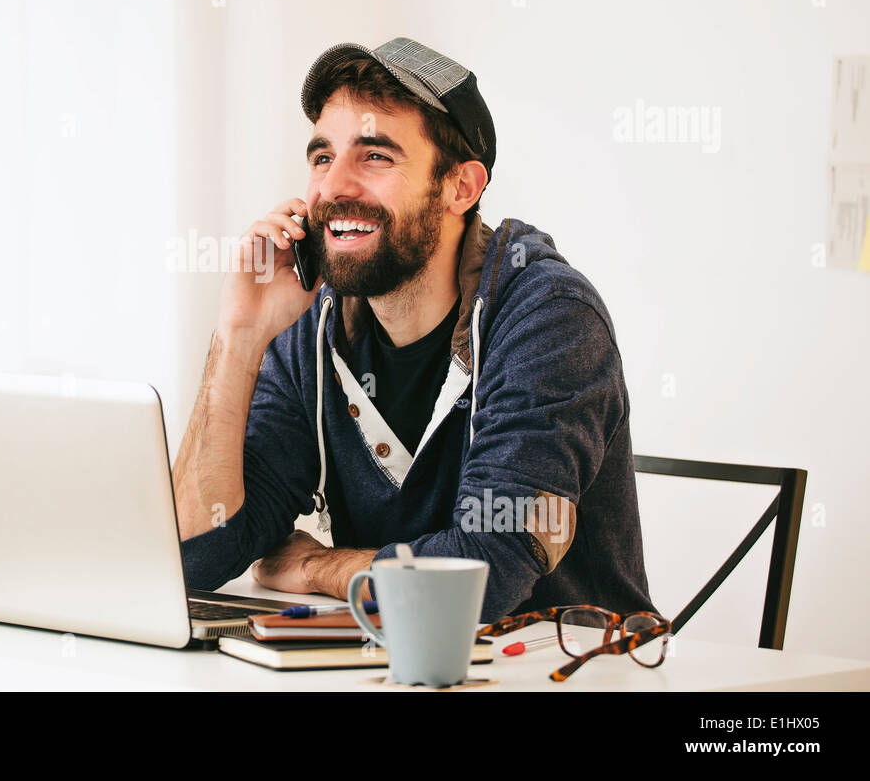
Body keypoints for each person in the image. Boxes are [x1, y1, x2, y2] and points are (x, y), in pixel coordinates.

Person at [170, 37, 656, 621]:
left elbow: (479, 577)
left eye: (374, 156)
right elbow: (193, 554)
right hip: (386, 669)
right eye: (322, 157)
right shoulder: (312, 325)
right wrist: (239, 336)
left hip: (563, 672)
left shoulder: (549, 318)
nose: (334, 188)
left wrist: (317, 567)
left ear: (462, 187)